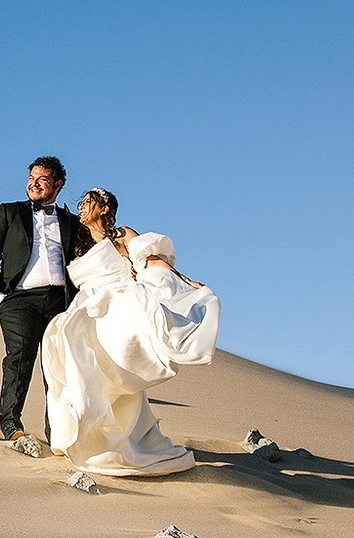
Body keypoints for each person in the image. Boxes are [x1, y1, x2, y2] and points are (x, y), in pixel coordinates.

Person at [40, 187, 221, 476]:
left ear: (105, 208)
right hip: (89, 307)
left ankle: (126, 439)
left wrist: (185, 280)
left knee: (115, 367)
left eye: (89, 203)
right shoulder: (76, 240)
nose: (83, 208)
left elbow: (150, 263)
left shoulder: (123, 235)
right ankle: (82, 431)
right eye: (82, 203)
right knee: (66, 343)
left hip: (121, 304)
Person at [0, 156, 83, 451]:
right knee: (21, 356)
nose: (34, 183)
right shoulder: (9, 212)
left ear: (58, 184)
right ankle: (11, 424)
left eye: (42, 178)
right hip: (18, 299)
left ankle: (58, 433)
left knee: (57, 367)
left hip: (60, 302)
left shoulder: (70, 222)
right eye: (31, 178)